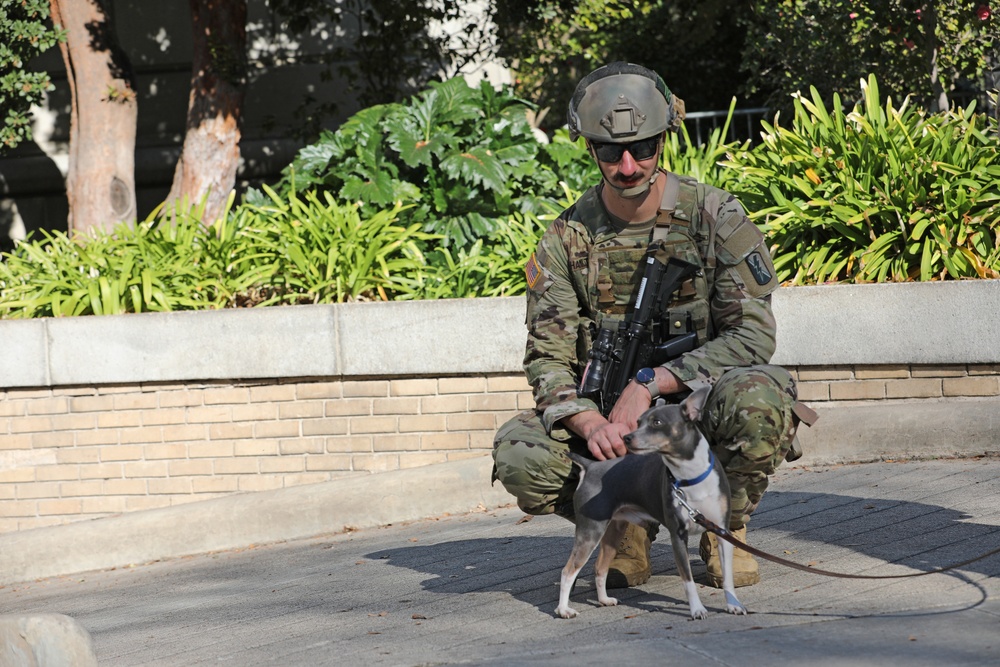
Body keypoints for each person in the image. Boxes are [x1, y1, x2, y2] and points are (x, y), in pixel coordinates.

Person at [492, 62, 815, 589]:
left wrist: (653, 384)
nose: (627, 165)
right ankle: (624, 524)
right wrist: (586, 421)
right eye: (608, 151)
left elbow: (754, 337)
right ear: (589, 148)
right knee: (521, 452)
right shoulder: (566, 239)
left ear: (664, 139)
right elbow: (546, 358)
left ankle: (723, 524)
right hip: (614, 434)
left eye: (643, 148)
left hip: (699, 412)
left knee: (759, 398)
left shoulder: (713, 216)